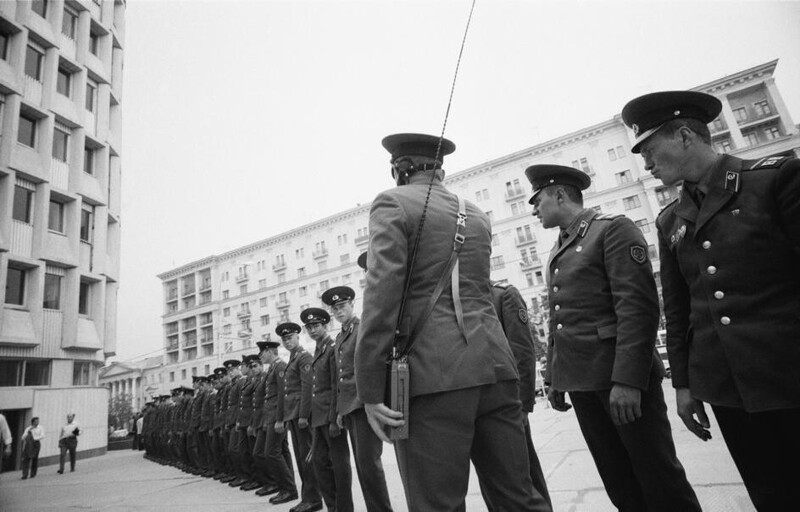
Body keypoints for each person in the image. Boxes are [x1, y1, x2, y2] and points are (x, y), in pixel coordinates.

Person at [622, 90, 800, 511]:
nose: (645, 163)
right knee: (768, 493)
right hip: (728, 388)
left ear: (685, 136)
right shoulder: (670, 219)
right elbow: (680, 309)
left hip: (788, 373)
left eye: (649, 149)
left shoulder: (775, 179)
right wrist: (684, 385)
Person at [355, 133, 550, 511]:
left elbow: (380, 299)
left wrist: (370, 391)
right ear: (440, 168)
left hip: (434, 379)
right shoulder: (476, 214)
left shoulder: (391, 202)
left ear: (400, 168)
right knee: (517, 497)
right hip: (495, 368)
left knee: (437, 503)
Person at [526, 163, 700, 511]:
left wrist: (628, 381)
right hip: (586, 385)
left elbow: (637, 309)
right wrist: (556, 378)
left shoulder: (612, 230)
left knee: (658, 478)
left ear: (559, 194)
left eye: (537, 200)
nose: (533, 209)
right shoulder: (559, 248)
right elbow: (561, 320)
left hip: (621, 383)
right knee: (618, 481)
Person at [478, 281, 552, 510]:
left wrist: (522, 406)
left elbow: (523, 353)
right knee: (493, 486)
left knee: (525, 482)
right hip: (481, 408)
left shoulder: (503, 296)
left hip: (510, 407)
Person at [322, 284, 394, 512]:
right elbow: (339, 379)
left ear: (352, 304)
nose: (338, 311)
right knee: (363, 467)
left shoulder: (362, 328)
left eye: (342, 306)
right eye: (334, 309)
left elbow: (371, 366)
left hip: (365, 405)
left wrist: (372, 399)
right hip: (350, 408)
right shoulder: (341, 336)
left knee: (369, 465)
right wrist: (341, 411)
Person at [275, 321, 322, 512]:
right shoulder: (293, 359)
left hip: (302, 417)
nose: (287, 342)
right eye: (284, 339)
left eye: (290, 338)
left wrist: (304, 415)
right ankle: (308, 497)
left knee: (307, 458)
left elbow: (308, 388)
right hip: (293, 415)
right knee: (301, 457)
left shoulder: (303, 358)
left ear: (298, 336)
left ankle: (313, 498)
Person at [258, 340, 299, 504]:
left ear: (270, 351)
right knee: (279, 452)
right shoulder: (272, 369)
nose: (261, 356)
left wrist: (280, 419)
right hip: (271, 416)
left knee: (271, 453)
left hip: (277, 417)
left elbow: (283, 394)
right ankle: (286, 488)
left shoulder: (280, 367)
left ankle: (289, 489)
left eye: (262, 353)